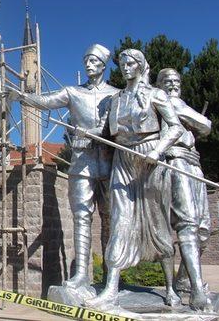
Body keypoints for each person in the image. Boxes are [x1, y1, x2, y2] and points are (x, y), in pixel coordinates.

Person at [9, 43, 118, 289]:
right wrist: (23, 96)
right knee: (81, 217)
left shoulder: (116, 95)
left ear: (103, 64)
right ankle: (81, 274)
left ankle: (111, 276)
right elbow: (46, 102)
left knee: (110, 218)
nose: (88, 65)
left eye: (93, 61)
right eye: (86, 61)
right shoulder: (73, 92)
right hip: (82, 161)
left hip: (110, 162)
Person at [87, 49, 182, 309]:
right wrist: (84, 131)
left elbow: (175, 127)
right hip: (123, 161)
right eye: (122, 64)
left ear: (141, 66)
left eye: (130, 63)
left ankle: (171, 288)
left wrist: (157, 150)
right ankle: (110, 288)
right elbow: (106, 131)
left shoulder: (155, 94)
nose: (125, 68)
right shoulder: (116, 99)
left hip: (150, 161)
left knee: (158, 221)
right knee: (120, 221)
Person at [157, 68, 212, 310]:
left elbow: (206, 127)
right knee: (188, 225)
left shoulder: (179, 105)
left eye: (176, 81)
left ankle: (184, 281)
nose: (172, 84)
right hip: (175, 162)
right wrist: (181, 109)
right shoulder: (166, 103)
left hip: (194, 164)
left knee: (203, 231)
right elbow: (205, 123)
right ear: (158, 84)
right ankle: (197, 291)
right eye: (167, 81)